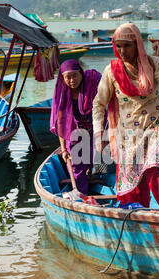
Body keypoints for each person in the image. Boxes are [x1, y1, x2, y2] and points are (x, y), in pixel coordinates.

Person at [92, 23, 159, 209]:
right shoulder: (111, 71)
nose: (122, 50)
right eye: (118, 45)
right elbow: (99, 104)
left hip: (158, 129)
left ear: (137, 45)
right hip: (128, 137)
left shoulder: (153, 64)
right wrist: (97, 135)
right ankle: (135, 222)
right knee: (131, 189)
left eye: (127, 45)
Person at [50, 59, 102, 195]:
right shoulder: (62, 96)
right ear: (62, 78)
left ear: (81, 74)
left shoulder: (91, 87)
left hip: (93, 131)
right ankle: (81, 194)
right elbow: (62, 124)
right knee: (76, 165)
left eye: (75, 75)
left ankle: (91, 173)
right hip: (73, 135)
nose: (72, 80)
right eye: (68, 77)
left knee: (96, 157)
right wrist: (63, 149)